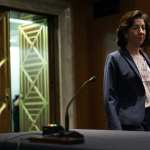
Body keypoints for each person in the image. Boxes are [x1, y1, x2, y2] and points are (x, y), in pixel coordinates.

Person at [103, 10, 150, 131]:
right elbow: (110, 98)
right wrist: (116, 131)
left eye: (143, 28)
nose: (141, 31)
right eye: (136, 28)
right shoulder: (114, 58)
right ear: (125, 33)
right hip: (130, 124)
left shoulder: (146, 57)